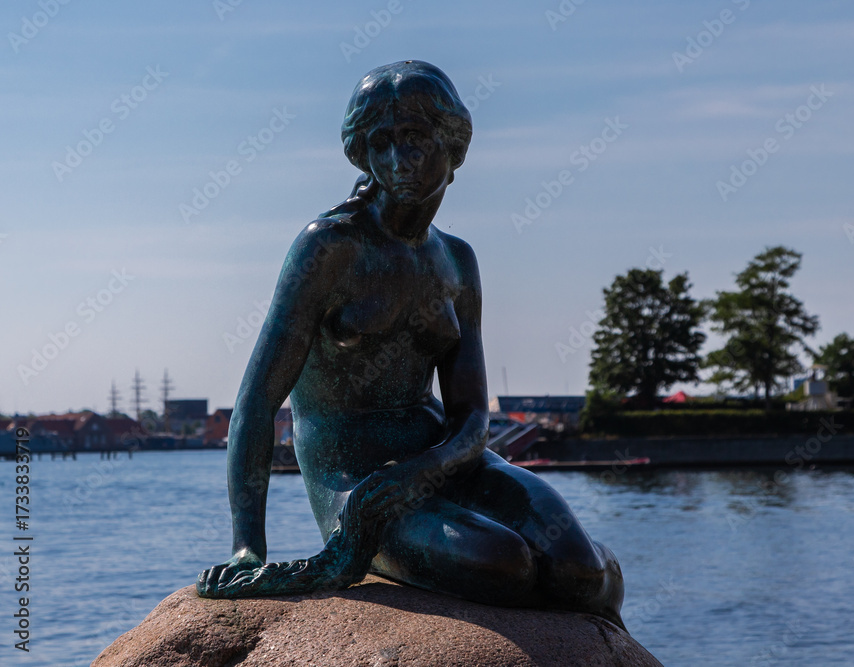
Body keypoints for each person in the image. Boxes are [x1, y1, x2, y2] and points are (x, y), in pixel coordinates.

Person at [196, 60, 625, 628]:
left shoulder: (457, 262)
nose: (398, 160)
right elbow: (254, 405)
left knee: (581, 571)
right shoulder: (329, 248)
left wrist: (425, 470)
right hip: (356, 486)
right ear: (364, 153)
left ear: (452, 146)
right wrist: (248, 547)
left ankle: (595, 592)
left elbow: (472, 417)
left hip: (444, 464)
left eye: (416, 140)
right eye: (382, 143)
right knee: (506, 565)